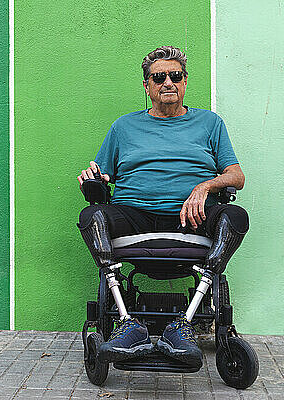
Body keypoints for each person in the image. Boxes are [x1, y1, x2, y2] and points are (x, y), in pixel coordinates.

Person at [77, 46, 249, 368]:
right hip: (134, 214)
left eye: (175, 76)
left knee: (235, 217)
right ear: (147, 85)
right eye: (159, 77)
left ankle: (182, 326)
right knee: (92, 217)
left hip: (191, 216)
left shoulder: (210, 123)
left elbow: (236, 176)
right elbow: (100, 174)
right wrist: (92, 177)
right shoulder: (123, 127)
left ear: (185, 82)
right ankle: (129, 324)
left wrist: (206, 186)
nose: (167, 82)